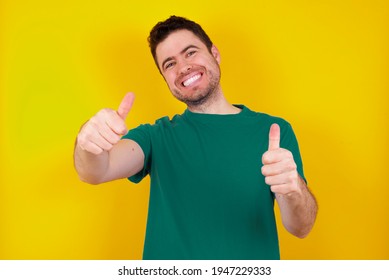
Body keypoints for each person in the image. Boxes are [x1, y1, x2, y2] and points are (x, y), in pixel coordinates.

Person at [74, 15, 318, 260]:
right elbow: (95, 171)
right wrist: (88, 143)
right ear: (165, 79)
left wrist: (293, 188)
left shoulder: (273, 131)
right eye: (169, 64)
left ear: (215, 54)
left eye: (190, 53)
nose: (183, 67)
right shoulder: (156, 137)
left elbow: (301, 227)